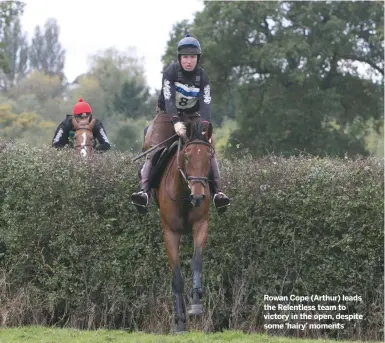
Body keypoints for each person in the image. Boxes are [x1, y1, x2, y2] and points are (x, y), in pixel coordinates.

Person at [131, 34, 231, 214]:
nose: (188, 61)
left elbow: (206, 103)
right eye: (185, 57)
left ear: (197, 59)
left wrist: (204, 126)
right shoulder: (170, 72)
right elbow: (169, 100)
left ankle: (218, 193)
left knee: (207, 146)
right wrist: (176, 122)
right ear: (179, 58)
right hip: (166, 115)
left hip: (193, 115)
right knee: (155, 147)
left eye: (192, 57)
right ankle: (144, 193)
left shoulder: (203, 76)